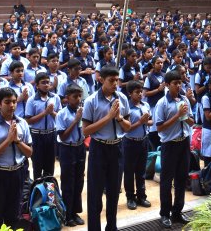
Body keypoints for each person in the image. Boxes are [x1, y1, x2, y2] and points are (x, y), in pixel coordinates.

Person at [82, 66, 131, 231]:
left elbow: (128, 127)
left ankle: (112, 227)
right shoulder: (91, 101)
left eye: (117, 80)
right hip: (99, 149)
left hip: (117, 148)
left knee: (113, 192)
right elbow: (86, 130)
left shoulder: (122, 99)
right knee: (95, 194)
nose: (115, 84)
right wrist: (108, 117)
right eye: (111, 80)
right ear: (101, 79)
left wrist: (118, 118)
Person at [0, 87, 33, 229]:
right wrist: (8, 141)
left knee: (14, 214)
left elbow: (29, 153)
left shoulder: (22, 123)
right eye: (7, 102)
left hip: (17, 172)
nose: (12, 105)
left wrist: (17, 141)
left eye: (14, 102)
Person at [154, 70, 194, 229]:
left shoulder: (185, 100)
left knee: (181, 178)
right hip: (169, 145)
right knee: (166, 180)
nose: (178, 86)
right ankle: (165, 213)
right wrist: (177, 115)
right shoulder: (162, 103)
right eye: (175, 83)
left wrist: (185, 117)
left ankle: (177, 211)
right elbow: (160, 127)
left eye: (180, 83)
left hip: (184, 142)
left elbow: (191, 122)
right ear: (167, 85)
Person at [56, 84, 86, 227]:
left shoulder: (82, 111)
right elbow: (63, 136)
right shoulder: (62, 114)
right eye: (75, 97)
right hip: (67, 148)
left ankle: (75, 212)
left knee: (79, 181)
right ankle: (67, 215)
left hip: (80, 148)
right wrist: (75, 120)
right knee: (68, 182)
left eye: (80, 96)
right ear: (67, 98)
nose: (78, 99)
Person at [123, 80, 153, 210]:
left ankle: (142, 196)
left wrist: (147, 122)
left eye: (141, 92)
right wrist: (141, 121)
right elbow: (126, 128)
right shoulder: (127, 108)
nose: (140, 94)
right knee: (129, 171)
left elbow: (151, 122)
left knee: (141, 171)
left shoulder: (145, 105)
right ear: (130, 94)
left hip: (143, 140)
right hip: (130, 142)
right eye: (137, 92)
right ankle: (130, 197)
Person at [25, 72, 60, 179]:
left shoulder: (55, 98)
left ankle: (49, 193)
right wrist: (44, 113)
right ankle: (37, 193)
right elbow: (29, 120)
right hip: (37, 135)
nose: (46, 85)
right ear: (37, 85)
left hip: (51, 134)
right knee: (37, 165)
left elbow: (60, 118)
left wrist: (52, 112)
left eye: (48, 82)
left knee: (50, 165)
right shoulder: (32, 100)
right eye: (43, 83)